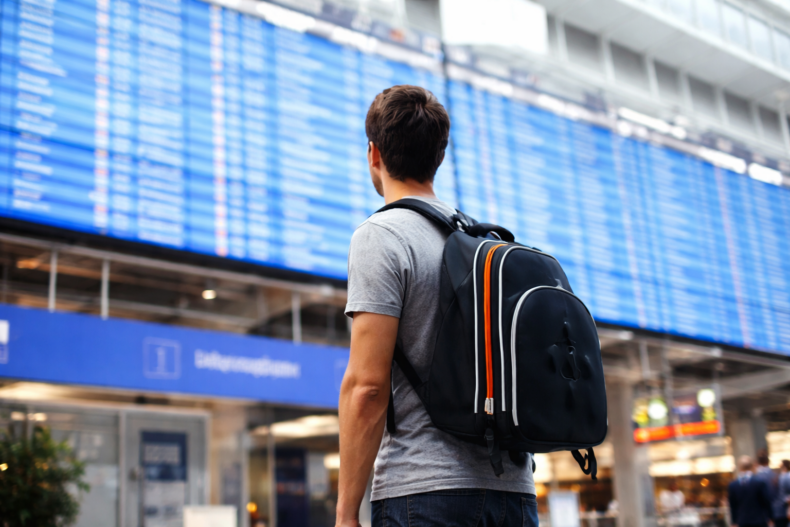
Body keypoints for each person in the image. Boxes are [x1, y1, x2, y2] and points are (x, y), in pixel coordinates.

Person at [336, 85, 536, 527]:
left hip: (424, 493)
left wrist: (346, 512)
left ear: (373, 154)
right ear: (439, 157)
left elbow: (367, 388)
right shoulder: (482, 242)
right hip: (515, 496)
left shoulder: (382, 236)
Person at [728, 455, 773, 527]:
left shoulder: (733, 485)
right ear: (752, 466)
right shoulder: (759, 482)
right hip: (759, 520)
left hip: (742, 521)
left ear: (739, 467)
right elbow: (766, 501)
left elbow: (733, 506)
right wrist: (770, 518)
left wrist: (734, 522)